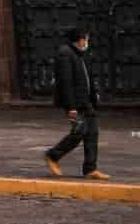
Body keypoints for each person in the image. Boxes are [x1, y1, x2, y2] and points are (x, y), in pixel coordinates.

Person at [45, 25, 108, 180]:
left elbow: (86, 78)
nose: (87, 41)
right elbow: (65, 82)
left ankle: (90, 169)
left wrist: (93, 98)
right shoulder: (65, 54)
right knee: (79, 132)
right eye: (86, 39)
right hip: (75, 103)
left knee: (92, 133)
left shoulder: (79, 53)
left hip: (86, 102)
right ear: (79, 39)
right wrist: (71, 106)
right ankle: (52, 155)